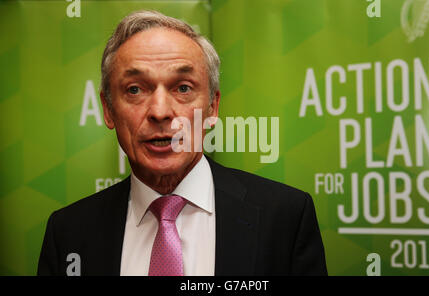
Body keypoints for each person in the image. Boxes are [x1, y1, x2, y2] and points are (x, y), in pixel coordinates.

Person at [37, 10, 327, 276]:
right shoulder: (67, 233)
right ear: (108, 109)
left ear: (212, 107)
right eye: (135, 89)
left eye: (183, 88)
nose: (160, 112)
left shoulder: (286, 219)